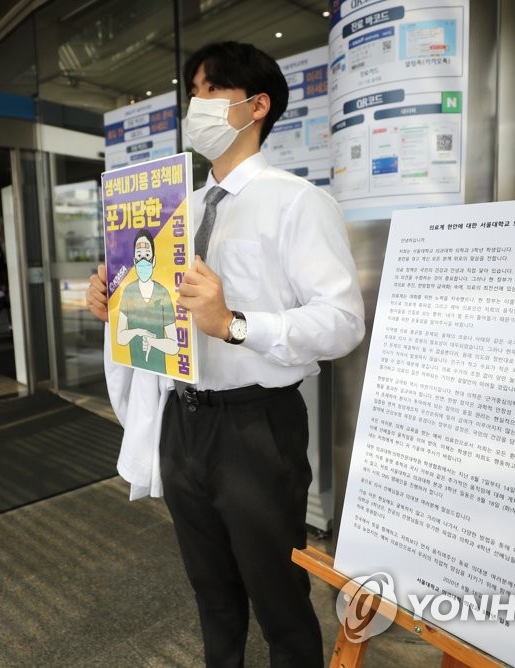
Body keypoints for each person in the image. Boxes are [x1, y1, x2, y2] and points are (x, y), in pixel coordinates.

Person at [87, 41, 365, 667]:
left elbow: (343, 322)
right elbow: (158, 311)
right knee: (210, 591)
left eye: (207, 91)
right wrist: (119, 305)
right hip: (182, 420)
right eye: (194, 93)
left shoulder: (297, 202)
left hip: (255, 427)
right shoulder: (176, 210)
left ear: (255, 105)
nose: (195, 106)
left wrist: (235, 324)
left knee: (278, 596)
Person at [117, 229, 179, 373]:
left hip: (161, 371)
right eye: (139, 256)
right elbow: (120, 337)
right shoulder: (128, 291)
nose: (143, 260)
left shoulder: (163, 293)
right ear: (134, 261)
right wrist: (137, 332)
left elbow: (174, 345)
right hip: (136, 368)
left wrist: (153, 342)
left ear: (154, 260)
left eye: (147, 255)